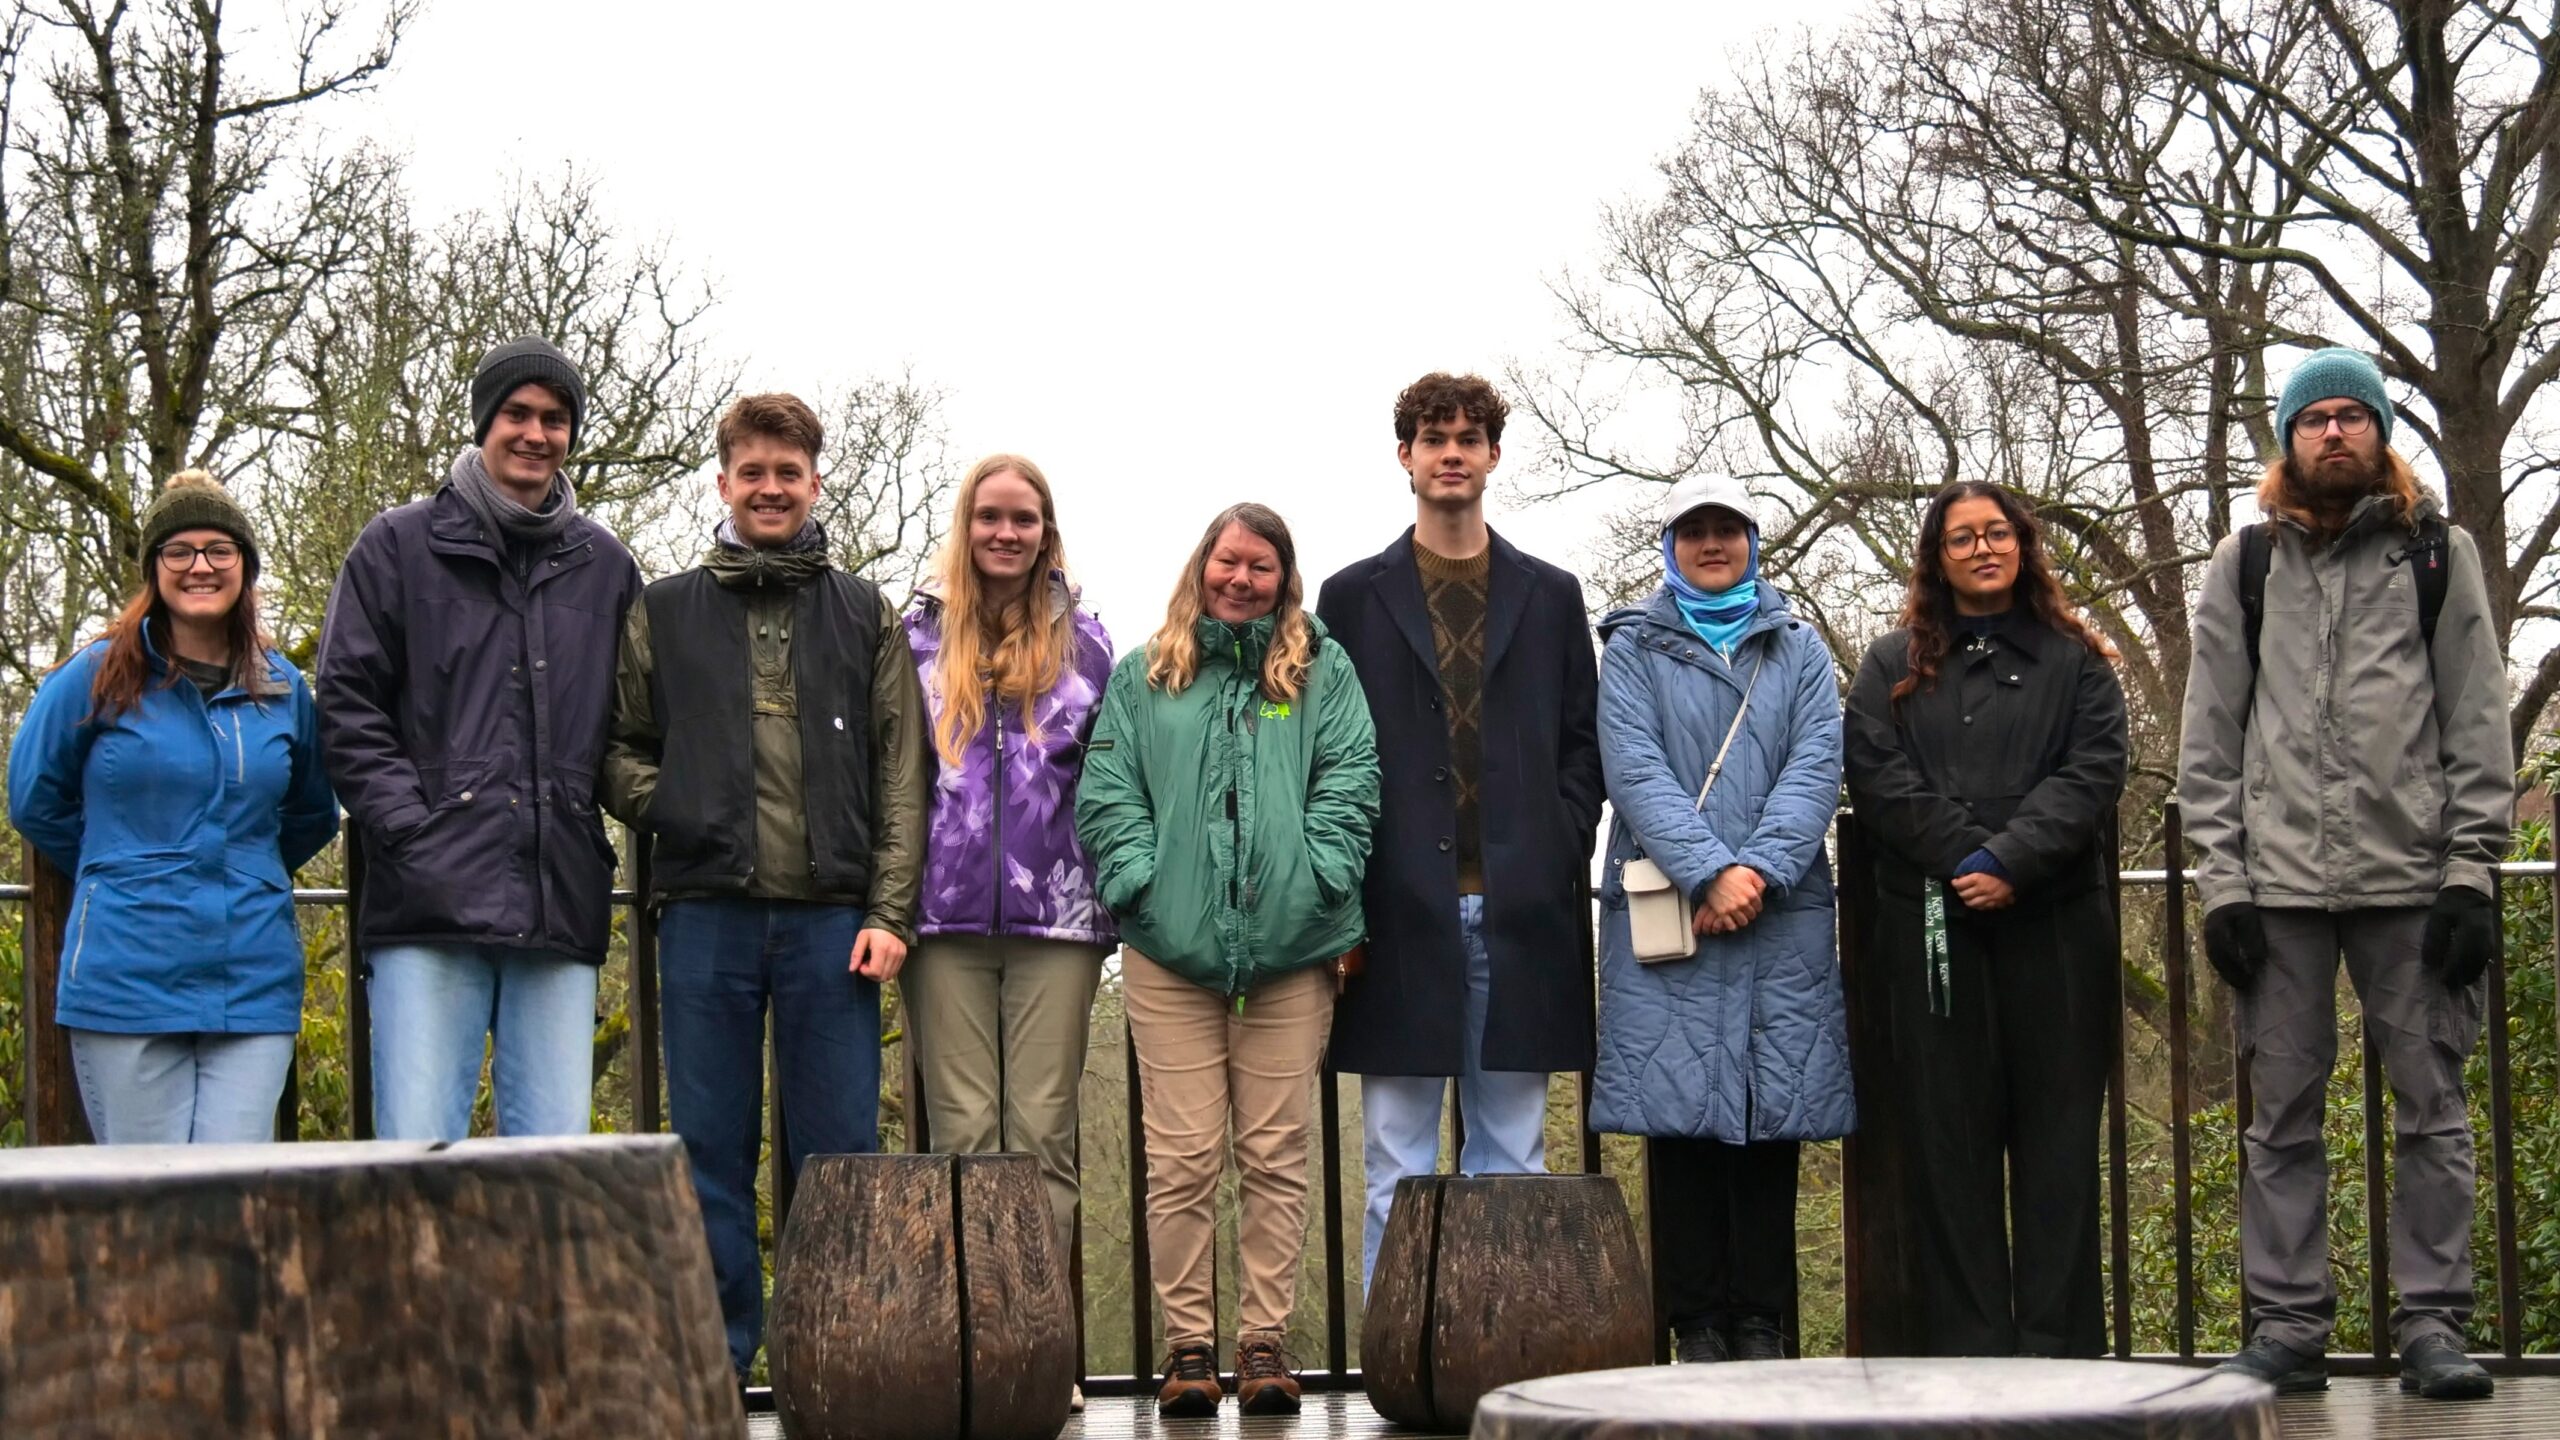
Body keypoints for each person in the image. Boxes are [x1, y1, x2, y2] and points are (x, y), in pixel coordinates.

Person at [2180, 348, 2510, 1401]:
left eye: (2350, 416)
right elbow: (2209, 738)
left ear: (2379, 433)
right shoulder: (2244, 562)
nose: (2332, 433)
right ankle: (2285, 1326)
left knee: (2433, 1111)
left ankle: (2432, 1325)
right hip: (2276, 892)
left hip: (2411, 881)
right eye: (2312, 418)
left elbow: (2475, 717)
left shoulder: (2433, 552)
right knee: (2279, 1116)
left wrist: (2470, 869)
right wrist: (2219, 882)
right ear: (2287, 439)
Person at [602, 392, 930, 1383]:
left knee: (837, 1160)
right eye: (754, 472)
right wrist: (688, 805)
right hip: (705, 916)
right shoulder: (661, 609)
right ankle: (719, 1358)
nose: (772, 488)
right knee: (706, 1151)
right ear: (725, 483)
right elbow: (616, 755)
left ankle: (833, 1362)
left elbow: (901, 772)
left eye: (789, 473)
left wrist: (889, 911)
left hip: (835, 922)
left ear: (814, 482)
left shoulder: (865, 612)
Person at [1076, 502, 1379, 1418]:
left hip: (1292, 953)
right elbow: (1107, 790)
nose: (1241, 580)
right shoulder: (1146, 675)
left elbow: (1353, 779)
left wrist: (1320, 879)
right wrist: (1141, 884)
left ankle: (1264, 1346)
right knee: (1180, 1158)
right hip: (1172, 958)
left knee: (1279, 1153)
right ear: (1200, 567)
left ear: (1285, 578)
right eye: (1227, 563)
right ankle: (1188, 1352)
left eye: (1261, 567)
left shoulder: (1322, 673)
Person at [1316, 372, 1603, 1288]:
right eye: (1433, 438)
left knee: (1513, 1161)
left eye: (1468, 438)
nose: (1451, 453)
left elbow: (1581, 743)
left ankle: (1501, 1356)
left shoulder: (1552, 595)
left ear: (1492, 456)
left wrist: (1557, 841)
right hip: (1398, 916)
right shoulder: (1351, 598)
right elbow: (1326, 748)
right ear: (1404, 456)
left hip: (1523, 915)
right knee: (1395, 1167)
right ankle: (1398, 1368)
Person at [316, 336, 641, 1140]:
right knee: (420, 1160)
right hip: (427, 908)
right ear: (483, 422)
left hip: (558, 903)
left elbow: (636, 725)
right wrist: (410, 833)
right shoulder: (396, 546)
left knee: (552, 1168)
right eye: (518, 414)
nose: (536, 433)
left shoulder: (605, 566)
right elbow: (348, 706)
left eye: (556, 418)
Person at [1843, 480, 2127, 1358]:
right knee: (1948, 1152)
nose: (1981, 549)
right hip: (1933, 926)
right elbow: (1877, 776)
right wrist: (1967, 858)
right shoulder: (1891, 665)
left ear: (2022, 544)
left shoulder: (2078, 659)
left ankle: (2060, 1356)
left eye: (1995, 533)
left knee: (2058, 1150)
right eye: (1961, 538)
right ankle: (1970, 1354)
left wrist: (2011, 860)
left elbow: (2094, 771)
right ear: (1938, 556)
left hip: (2056, 928)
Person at [1592, 475, 1850, 1362]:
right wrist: (1709, 871)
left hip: (1780, 913)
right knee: (1679, 1118)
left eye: (1728, 530)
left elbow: (1818, 763)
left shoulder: (1800, 650)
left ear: (1750, 540)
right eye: (1694, 531)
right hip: (1674, 907)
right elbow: (1632, 768)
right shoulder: (1631, 646)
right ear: (1670, 544)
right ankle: (1694, 1321)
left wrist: (1760, 870)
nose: (1712, 544)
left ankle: (1765, 1322)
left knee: (1771, 1115)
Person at [8, 471, 338, 1143]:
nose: (200, 566)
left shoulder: (282, 688)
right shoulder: (95, 675)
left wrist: (244, 870)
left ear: (244, 566)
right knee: (145, 1208)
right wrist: (118, 866)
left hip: (251, 981)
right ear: (154, 568)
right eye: (179, 550)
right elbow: (35, 795)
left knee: (233, 1202)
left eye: (219, 549)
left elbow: (312, 810)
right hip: (126, 979)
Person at [902, 455, 1116, 1257]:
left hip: (1059, 924)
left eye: (1023, 519)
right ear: (966, 527)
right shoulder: (912, 638)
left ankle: (1034, 1352)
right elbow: (891, 775)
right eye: (990, 516)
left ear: (1045, 532)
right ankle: (974, 1356)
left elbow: (1110, 779)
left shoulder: (1089, 644)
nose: (1006, 532)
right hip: (941, 917)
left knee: (1041, 1140)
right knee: (961, 1137)